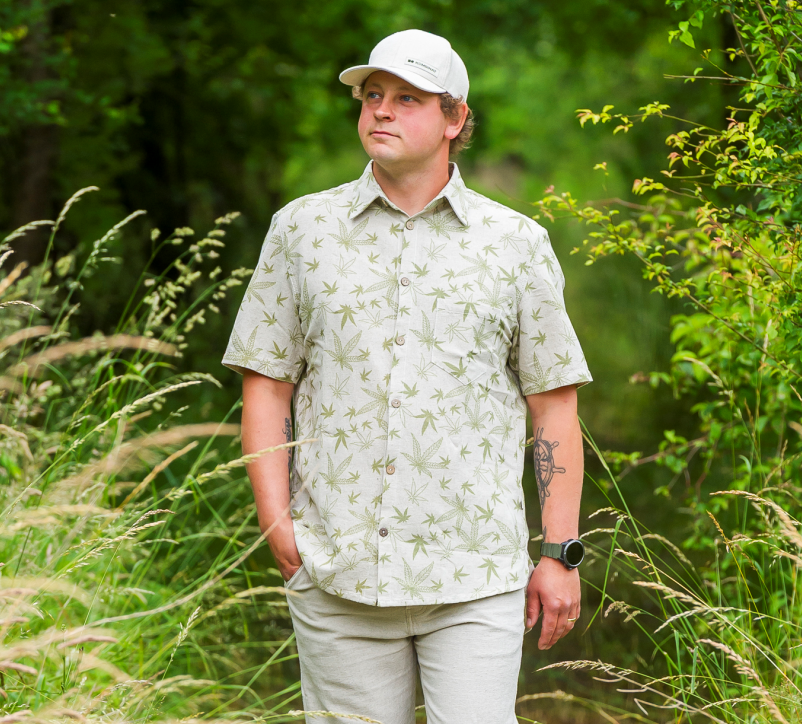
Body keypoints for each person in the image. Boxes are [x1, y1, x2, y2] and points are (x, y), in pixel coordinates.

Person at [222, 28, 592, 724]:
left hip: (474, 577)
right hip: (337, 576)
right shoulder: (301, 231)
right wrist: (279, 528)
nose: (381, 111)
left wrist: (559, 555)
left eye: (406, 98)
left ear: (454, 119)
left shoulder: (514, 245)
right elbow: (266, 383)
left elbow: (553, 406)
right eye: (371, 96)